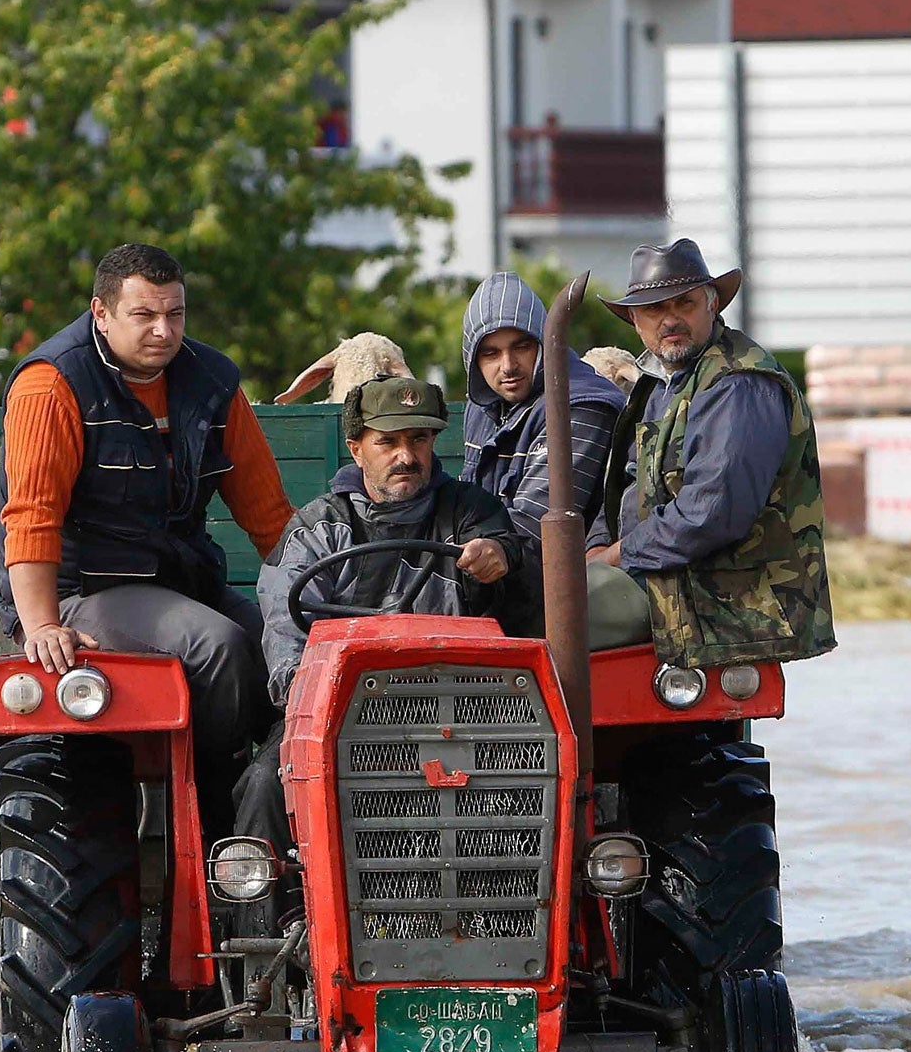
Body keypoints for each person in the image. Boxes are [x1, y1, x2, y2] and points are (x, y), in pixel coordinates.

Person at [0, 242, 295, 822]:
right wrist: (41, 624)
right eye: (144, 315)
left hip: (180, 580)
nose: (163, 331)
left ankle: (285, 793)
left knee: (300, 650)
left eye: (175, 314)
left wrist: (323, 612)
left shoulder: (212, 383)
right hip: (87, 590)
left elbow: (270, 517)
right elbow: (32, 515)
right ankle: (218, 821)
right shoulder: (51, 385)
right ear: (101, 314)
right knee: (222, 648)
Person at [235, 376, 538, 853]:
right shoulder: (319, 527)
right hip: (339, 710)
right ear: (356, 450)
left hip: (458, 711)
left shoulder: (469, 511)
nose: (406, 456)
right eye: (389, 442)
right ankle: (271, 915)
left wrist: (496, 557)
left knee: (529, 778)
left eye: (418, 439)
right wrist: (307, 702)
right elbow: (284, 620)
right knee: (263, 785)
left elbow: (505, 557)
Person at [586, 238, 837, 668]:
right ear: (634, 319)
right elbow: (630, 483)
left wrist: (615, 556)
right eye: (653, 310)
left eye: (683, 304)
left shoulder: (740, 384)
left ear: (712, 304)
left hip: (731, 606)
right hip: (672, 583)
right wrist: (594, 547)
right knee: (531, 598)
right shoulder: (664, 383)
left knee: (554, 618)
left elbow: (712, 514)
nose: (669, 320)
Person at [459, 271, 624, 543]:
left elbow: (532, 528)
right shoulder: (483, 403)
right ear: (473, 359)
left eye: (521, 347)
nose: (508, 366)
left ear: (544, 342)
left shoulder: (581, 405)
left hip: (570, 574)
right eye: (491, 353)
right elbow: (463, 506)